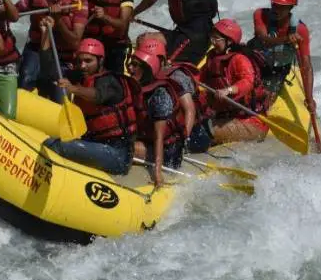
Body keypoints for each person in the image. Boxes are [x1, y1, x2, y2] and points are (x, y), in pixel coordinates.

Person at [40, 27, 139, 175]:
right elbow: (50, 71)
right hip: (95, 143)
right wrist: (46, 34)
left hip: (117, 155)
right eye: (79, 61)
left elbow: (98, 95)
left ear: (101, 60)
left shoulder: (111, 81)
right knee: (50, 142)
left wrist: (73, 89)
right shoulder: (81, 76)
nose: (83, 65)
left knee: (58, 146)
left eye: (88, 61)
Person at [16, 0, 88, 103]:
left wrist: (58, 19)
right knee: (26, 78)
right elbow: (13, 13)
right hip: (36, 50)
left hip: (62, 56)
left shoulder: (78, 2)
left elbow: (75, 42)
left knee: (59, 95)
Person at [191, 19, 271, 150]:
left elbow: (247, 82)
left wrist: (228, 90)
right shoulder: (214, 59)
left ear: (229, 42)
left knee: (200, 132)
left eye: (217, 39)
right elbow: (198, 76)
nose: (212, 42)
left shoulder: (239, 59)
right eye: (212, 37)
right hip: (226, 116)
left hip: (250, 121)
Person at [247, 0, 314, 112]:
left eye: (282, 7)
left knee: (263, 104)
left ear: (291, 8)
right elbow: (264, 40)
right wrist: (286, 39)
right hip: (254, 61)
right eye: (275, 5)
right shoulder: (260, 14)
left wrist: (309, 99)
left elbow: (306, 66)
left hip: (276, 70)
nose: (277, 10)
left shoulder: (300, 30)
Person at [127, 49, 187, 186]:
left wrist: (157, 172)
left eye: (135, 65)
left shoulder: (160, 94)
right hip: (148, 143)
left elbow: (159, 137)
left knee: (123, 148)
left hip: (168, 151)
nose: (130, 68)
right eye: (130, 64)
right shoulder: (137, 88)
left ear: (147, 69)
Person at [136, 35, 201, 147]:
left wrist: (184, 140)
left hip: (185, 134)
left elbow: (189, 110)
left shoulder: (177, 76)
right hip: (157, 130)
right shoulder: (144, 76)